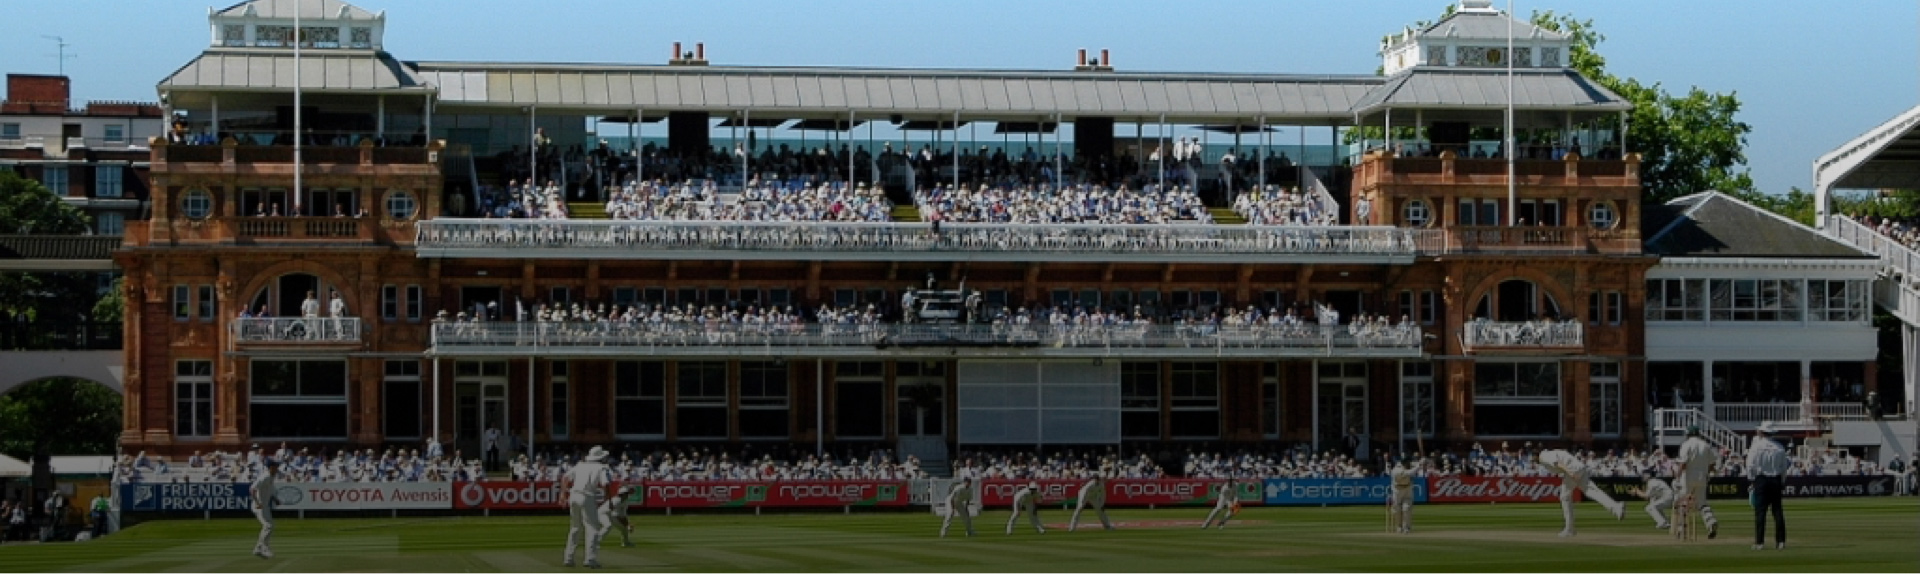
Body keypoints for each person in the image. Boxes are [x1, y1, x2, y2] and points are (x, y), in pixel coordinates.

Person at [1536, 449, 1625, 537]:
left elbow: (1558, 463)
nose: (1533, 461)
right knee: (1593, 492)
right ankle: (1616, 507)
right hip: (1579, 467)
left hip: (1572, 469)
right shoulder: (1549, 454)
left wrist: (1570, 472)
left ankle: (1569, 529)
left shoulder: (1544, 456)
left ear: (1536, 456)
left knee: (1565, 497)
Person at [562, 446, 615, 568]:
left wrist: (563, 494)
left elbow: (565, 477)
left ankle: (568, 558)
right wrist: (609, 500)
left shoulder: (580, 465)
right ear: (601, 457)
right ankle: (590, 558)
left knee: (575, 527)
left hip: (574, 495)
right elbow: (606, 484)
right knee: (592, 527)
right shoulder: (601, 468)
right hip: (587, 495)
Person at [1746, 421, 1789, 550]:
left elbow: (1750, 465)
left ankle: (1760, 543)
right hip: (1775, 480)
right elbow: (1783, 468)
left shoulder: (1756, 447)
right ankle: (1780, 542)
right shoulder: (1780, 447)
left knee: (1760, 513)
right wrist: (1782, 481)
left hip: (1762, 480)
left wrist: (1752, 480)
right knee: (1777, 512)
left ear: (1761, 432)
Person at [1674, 425, 1721, 538]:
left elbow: (1683, 463)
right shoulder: (1705, 445)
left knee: (1684, 502)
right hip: (1702, 476)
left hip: (1688, 476)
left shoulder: (1686, 444)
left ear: (1688, 434)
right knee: (1702, 503)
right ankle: (1711, 522)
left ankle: (1681, 530)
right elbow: (1712, 463)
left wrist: (1677, 478)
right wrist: (1711, 472)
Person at [251, 459, 280, 559]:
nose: (277, 468)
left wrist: (275, 499)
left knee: (270, 526)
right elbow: (252, 489)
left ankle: (258, 548)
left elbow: (270, 489)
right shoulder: (265, 476)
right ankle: (264, 548)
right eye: (276, 466)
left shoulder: (271, 476)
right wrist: (257, 502)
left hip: (265, 506)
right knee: (268, 526)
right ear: (271, 467)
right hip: (259, 506)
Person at [1387, 458, 1417, 534]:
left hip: (1408, 489)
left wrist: (1419, 463)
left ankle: (1406, 528)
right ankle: (1399, 527)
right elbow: (1408, 473)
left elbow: (1412, 471)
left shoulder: (1409, 466)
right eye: (1408, 463)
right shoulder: (1397, 470)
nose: (1409, 464)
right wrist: (1417, 466)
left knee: (1406, 508)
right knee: (1397, 510)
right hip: (1397, 490)